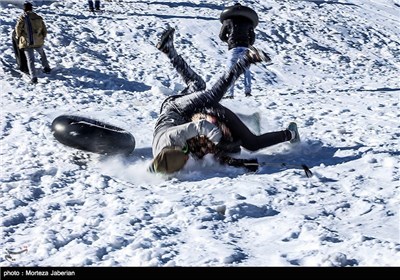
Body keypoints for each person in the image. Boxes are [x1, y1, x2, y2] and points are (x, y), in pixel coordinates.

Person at [149, 27, 300, 174]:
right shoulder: (164, 163)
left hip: (176, 108)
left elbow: (202, 126)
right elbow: (209, 157)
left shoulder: (173, 137)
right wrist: (239, 163)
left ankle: (247, 58)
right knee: (198, 85)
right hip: (190, 116)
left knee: (211, 96)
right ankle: (169, 50)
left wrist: (219, 143)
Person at [219, 3, 257, 98]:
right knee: (246, 70)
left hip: (233, 47)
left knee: (230, 70)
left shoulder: (227, 21)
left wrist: (228, 41)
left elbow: (221, 35)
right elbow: (252, 37)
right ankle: (247, 91)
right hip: (245, 47)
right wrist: (249, 44)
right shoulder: (248, 22)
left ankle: (229, 94)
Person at [15, 1, 51, 84]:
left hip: (28, 42)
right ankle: (46, 67)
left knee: (30, 60)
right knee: (42, 53)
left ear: (24, 9)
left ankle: (33, 77)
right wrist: (42, 37)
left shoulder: (23, 17)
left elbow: (18, 29)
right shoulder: (38, 17)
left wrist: (18, 36)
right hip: (38, 40)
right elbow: (44, 30)